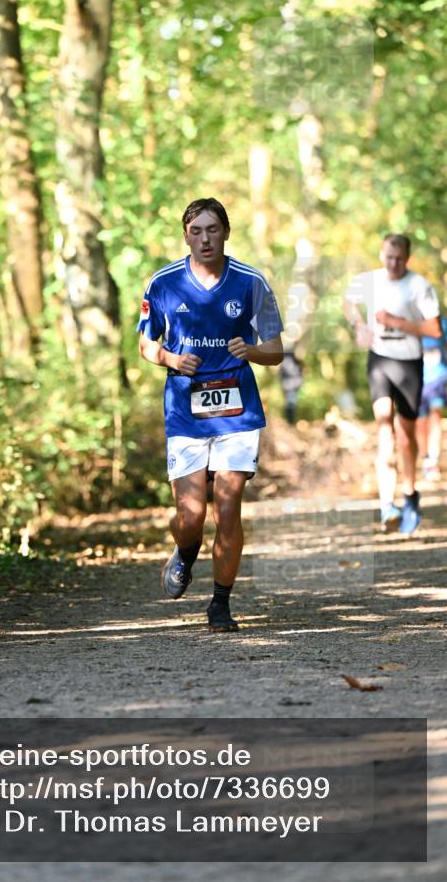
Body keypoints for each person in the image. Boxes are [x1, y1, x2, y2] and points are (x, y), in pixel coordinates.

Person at [137, 198, 284, 632]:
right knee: (191, 517)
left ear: (226, 232)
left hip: (237, 409)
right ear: (186, 235)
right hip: (185, 409)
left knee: (228, 505)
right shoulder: (163, 283)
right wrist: (169, 359)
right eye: (197, 230)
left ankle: (220, 604)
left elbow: (275, 350)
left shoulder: (250, 282)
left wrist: (251, 350)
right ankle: (185, 552)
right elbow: (145, 344)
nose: (205, 238)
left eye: (213, 229)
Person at [344, 234, 441, 534]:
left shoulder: (419, 286)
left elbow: (434, 329)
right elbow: (349, 302)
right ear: (381, 253)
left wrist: (396, 321)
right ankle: (387, 504)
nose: (393, 263)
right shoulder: (370, 280)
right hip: (380, 361)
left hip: (409, 364)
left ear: (407, 258)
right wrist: (359, 325)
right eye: (388, 257)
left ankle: (410, 493)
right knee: (384, 427)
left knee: (405, 436)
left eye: (399, 258)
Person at [416, 315, 447, 482]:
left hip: (438, 379)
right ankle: (425, 458)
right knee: (420, 422)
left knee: (435, 417)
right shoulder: (410, 323)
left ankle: (433, 460)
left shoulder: (442, 324)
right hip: (417, 381)